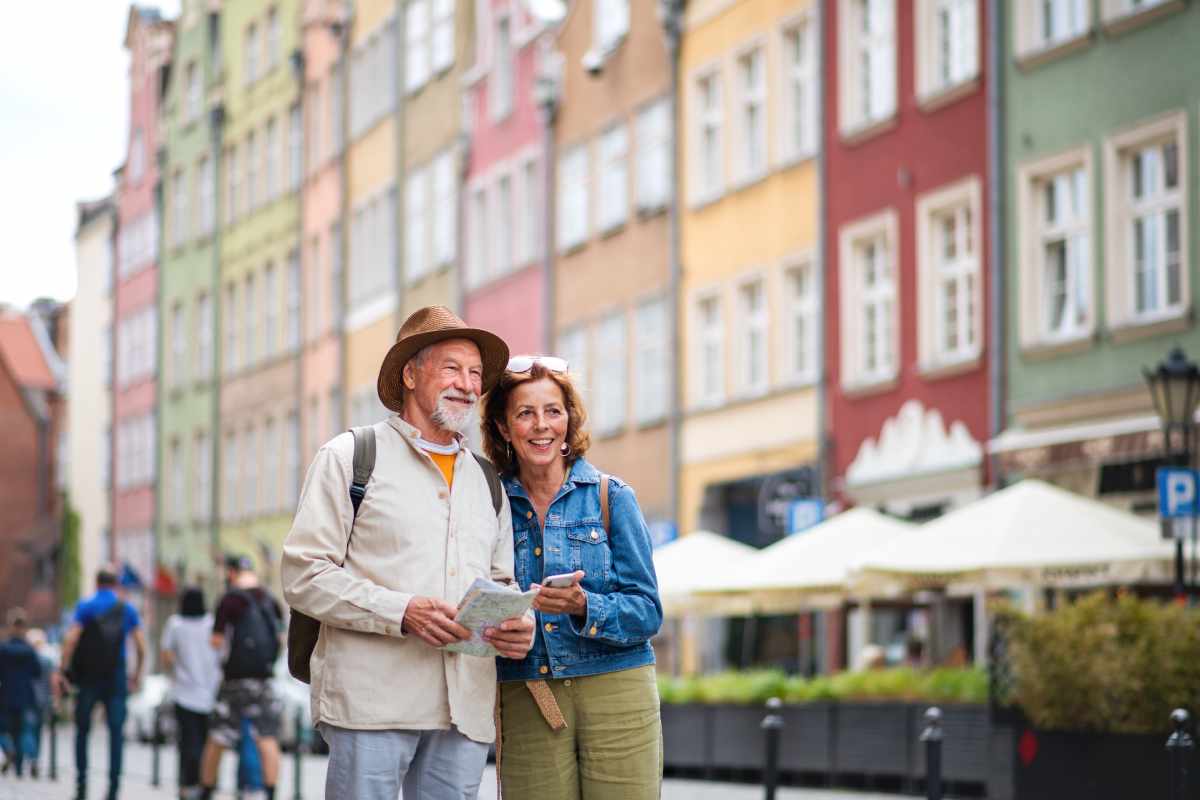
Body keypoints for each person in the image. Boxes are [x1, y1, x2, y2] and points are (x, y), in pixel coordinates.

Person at [282, 305, 535, 800]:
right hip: (373, 703)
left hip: (463, 706)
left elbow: (501, 580)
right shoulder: (351, 457)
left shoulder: (486, 480)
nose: (467, 383)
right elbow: (303, 574)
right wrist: (403, 611)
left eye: (475, 373)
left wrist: (512, 624)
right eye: (452, 368)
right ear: (411, 374)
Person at [481, 355, 664, 799]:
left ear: (568, 420)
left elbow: (648, 612)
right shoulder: (488, 506)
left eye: (553, 411)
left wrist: (586, 606)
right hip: (528, 692)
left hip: (616, 688)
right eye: (525, 413)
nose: (541, 425)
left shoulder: (611, 497)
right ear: (505, 428)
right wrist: (495, 628)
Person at [56, 565, 146, 800]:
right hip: (116, 675)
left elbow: (70, 639)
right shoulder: (126, 609)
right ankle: (113, 789)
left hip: (89, 677)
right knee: (116, 733)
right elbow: (141, 646)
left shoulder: (86, 606)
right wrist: (136, 675)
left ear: (96, 583)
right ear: (115, 584)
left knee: (82, 730)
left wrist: (64, 669)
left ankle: (81, 786)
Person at [197, 557, 283, 800]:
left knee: (218, 737)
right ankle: (270, 792)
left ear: (232, 573)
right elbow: (280, 638)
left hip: (235, 680)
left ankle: (206, 789)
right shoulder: (269, 599)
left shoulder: (230, 600)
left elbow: (216, 641)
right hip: (264, 680)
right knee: (267, 737)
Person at [160, 586, 221, 799]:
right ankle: (207, 784)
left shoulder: (175, 624)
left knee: (187, 743)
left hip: (184, 694)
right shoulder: (213, 623)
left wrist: (178, 668)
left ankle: (187, 785)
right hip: (210, 695)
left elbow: (166, 656)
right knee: (208, 743)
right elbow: (222, 653)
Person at [0, 608, 43, 778]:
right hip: (25, 694)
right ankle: (30, 760)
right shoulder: (29, 650)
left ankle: (9, 750)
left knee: (3, 730)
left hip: (5, 694)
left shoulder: (3, 648)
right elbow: (37, 672)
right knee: (24, 730)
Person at [25, 627, 56, 773]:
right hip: (43, 699)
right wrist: (54, 698)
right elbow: (53, 681)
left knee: (28, 729)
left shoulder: (25, 659)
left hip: (28, 698)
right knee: (37, 730)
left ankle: (31, 757)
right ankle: (35, 758)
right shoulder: (47, 660)